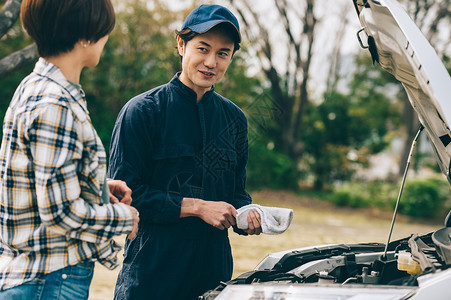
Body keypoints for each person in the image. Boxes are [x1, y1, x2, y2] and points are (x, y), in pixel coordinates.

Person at [109, 4, 262, 300]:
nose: (211, 62)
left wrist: (248, 213)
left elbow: (236, 192)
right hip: (153, 275)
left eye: (222, 53)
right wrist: (197, 207)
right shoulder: (142, 112)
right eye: (202, 48)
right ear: (181, 44)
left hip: (213, 277)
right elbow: (125, 197)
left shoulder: (235, 120)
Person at [0, 0, 139, 299]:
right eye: (104, 29)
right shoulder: (55, 103)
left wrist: (96, 188)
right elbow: (60, 212)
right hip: (48, 280)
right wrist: (123, 217)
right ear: (86, 33)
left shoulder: (35, 87)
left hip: (40, 277)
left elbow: (41, 182)